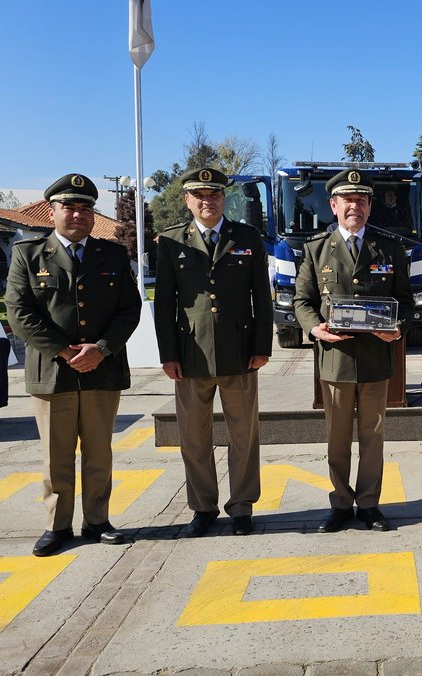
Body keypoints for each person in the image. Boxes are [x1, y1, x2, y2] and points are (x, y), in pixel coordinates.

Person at [5, 173, 142, 556]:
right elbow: (18, 313)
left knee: (99, 452)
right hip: (53, 372)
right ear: (53, 211)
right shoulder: (28, 254)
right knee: (56, 455)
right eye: (70, 207)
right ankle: (57, 526)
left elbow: (130, 308)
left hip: (103, 369)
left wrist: (101, 348)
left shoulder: (112, 255)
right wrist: (66, 352)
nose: (78, 214)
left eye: (85, 208)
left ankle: (97, 520)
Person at [154, 167, 273, 538]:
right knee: (193, 437)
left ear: (225, 198)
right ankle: (203, 507)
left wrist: (261, 346)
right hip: (191, 356)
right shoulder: (172, 242)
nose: (208, 201)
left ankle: (242, 507)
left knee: (244, 435)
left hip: (239, 352)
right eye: (200, 195)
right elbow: (165, 304)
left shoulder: (247, 237)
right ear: (188, 200)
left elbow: (261, 299)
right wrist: (168, 354)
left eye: (215, 195)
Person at [294, 169, 412, 533]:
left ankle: (370, 504)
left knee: (373, 438)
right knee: (338, 439)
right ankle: (341, 502)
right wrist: (315, 328)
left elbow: (406, 301)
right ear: (333, 205)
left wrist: (398, 328)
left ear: (369, 206)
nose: (354, 207)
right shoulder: (316, 250)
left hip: (376, 359)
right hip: (336, 361)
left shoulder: (389, 248)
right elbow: (303, 300)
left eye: (361, 200)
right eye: (347, 200)